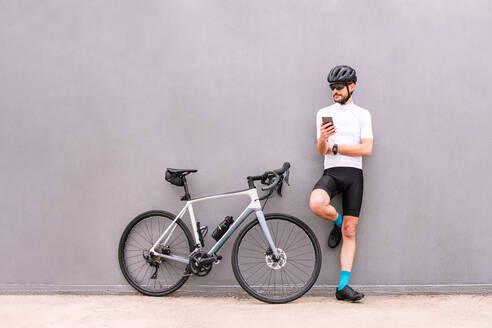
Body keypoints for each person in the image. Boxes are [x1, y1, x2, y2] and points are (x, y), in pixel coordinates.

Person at [309, 65, 373, 302]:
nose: (334, 91)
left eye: (338, 87)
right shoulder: (323, 113)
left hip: (354, 175)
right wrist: (324, 140)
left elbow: (366, 148)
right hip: (332, 171)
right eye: (332, 88)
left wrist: (336, 147)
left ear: (351, 86)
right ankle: (336, 221)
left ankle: (342, 287)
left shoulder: (363, 114)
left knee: (350, 230)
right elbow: (321, 150)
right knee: (316, 203)